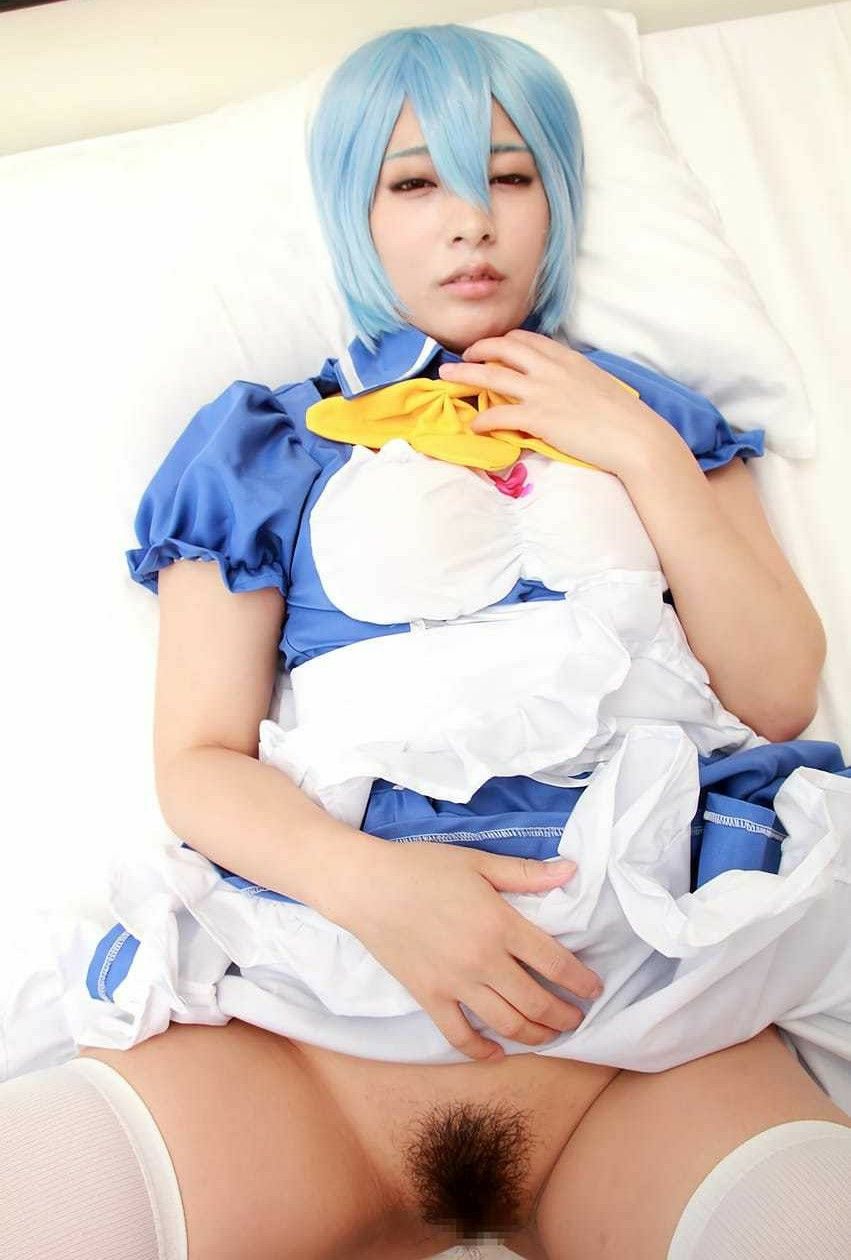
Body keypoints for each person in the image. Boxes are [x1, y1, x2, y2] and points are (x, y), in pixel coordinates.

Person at [3, 22, 851, 1260]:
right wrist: (377, 890)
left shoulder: (657, 418)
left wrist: (635, 445)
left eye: (507, 175)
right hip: (302, 1048)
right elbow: (196, 761)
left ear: (555, 200)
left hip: (648, 1045)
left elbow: (775, 692)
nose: (471, 222)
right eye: (415, 184)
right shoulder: (266, 442)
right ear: (354, 214)